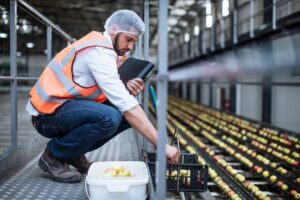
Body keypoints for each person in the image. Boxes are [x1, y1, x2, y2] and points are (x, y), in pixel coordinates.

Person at [26, 10, 180, 183]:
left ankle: (72, 153)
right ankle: (53, 155)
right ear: (114, 29)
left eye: (133, 42)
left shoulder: (106, 49)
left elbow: (99, 88)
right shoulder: (98, 52)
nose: (130, 46)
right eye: (128, 39)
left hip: (63, 108)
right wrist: (162, 146)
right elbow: (125, 104)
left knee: (123, 117)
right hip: (46, 116)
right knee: (110, 117)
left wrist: (124, 88)